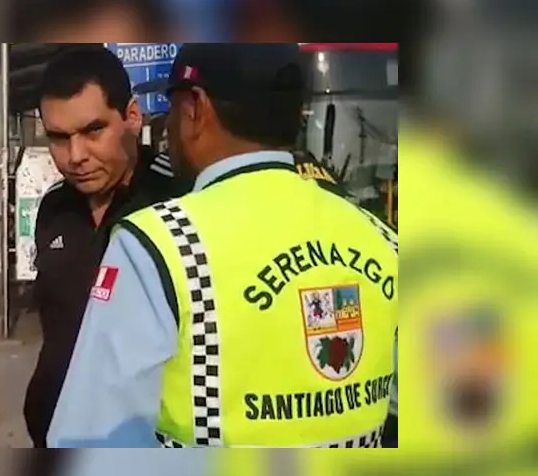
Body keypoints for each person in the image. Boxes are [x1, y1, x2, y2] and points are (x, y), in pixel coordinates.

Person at [47, 43, 398, 448]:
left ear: (195, 108)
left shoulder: (158, 245)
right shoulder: (381, 239)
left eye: (172, 107)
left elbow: (88, 442)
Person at [23, 46, 193, 448]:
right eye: (59, 138)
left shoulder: (180, 201)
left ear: (132, 117)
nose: (75, 156)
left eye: (93, 131)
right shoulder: (53, 209)